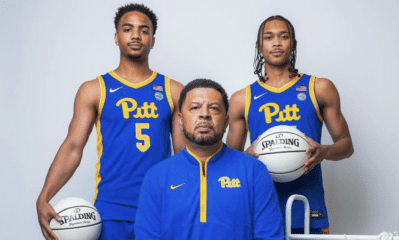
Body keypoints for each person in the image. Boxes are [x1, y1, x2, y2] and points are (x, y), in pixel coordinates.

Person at [36, 4, 185, 240]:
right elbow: (73, 147)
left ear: (153, 40)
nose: (136, 35)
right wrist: (44, 196)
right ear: (117, 37)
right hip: (110, 209)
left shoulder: (173, 90)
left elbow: (184, 155)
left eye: (144, 30)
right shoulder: (94, 90)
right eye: (128, 29)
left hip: (160, 206)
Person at [226, 15, 354, 235]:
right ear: (259, 46)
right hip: (260, 208)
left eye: (284, 36)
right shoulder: (242, 99)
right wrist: (245, 158)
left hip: (308, 205)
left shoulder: (319, 88)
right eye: (269, 37)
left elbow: (346, 146)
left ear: (293, 43)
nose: (276, 42)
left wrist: (325, 151)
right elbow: (227, 162)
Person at [134, 79, 284, 240]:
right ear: (180, 120)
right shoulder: (157, 176)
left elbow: (269, 237)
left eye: (213, 108)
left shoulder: (254, 172)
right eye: (195, 108)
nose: (204, 114)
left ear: (226, 121)